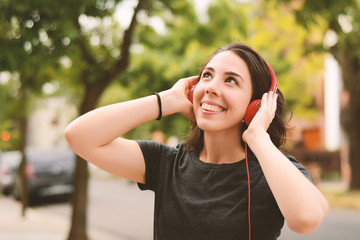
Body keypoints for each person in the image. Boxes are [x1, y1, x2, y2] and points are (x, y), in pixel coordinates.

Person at [65, 43, 328, 240]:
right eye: (207, 75)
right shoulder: (165, 163)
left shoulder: (274, 170)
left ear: (256, 105)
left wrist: (258, 136)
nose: (212, 87)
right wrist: (165, 101)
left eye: (230, 80)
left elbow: (307, 219)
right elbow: (79, 136)